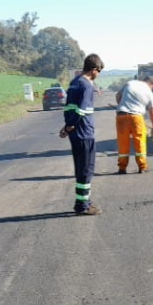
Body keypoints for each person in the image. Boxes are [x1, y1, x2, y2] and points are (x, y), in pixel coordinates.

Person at [60, 53, 104, 215]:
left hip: (75, 135)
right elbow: (81, 110)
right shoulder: (86, 85)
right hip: (84, 133)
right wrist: (70, 126)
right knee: (86, 169)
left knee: (81, 169)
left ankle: (82, 201)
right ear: (94, 69)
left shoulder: (74, 83)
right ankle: (83, 206)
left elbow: (68, 108)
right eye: (98, 71)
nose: (98, 75)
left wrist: (67, 126)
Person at [115, 76, 153, 174]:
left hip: (121, 116)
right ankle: (142, 167)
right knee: (140, 142)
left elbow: (118, 96)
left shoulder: (130, 83)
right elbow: (152, 112)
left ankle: (122, 168)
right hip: (137, 118)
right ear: (151, 84)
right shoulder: (149, 93)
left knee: (123, 143)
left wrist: (122, 105)